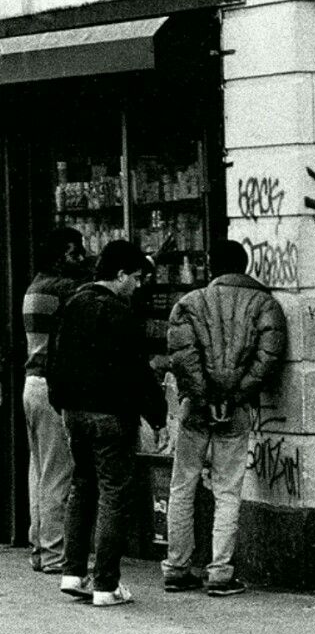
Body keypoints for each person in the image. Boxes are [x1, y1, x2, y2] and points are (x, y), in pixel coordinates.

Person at [161, 239, 287, 596]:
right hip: (237, 408)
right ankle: (220, 572)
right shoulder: (265, 304)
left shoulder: (189, 303)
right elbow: (268, 357)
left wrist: (204, 395)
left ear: (212, 266)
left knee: (182, 486)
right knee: (229, 490)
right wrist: (235, 394)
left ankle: (177, 566)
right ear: (245, 265)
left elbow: (182, 356)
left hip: (195, 410)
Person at [48, 240, 167, 607]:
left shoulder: (72, 304)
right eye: (134, 277)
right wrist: (157, 415)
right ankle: (106, 583)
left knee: (82, 489)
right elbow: (137, 371)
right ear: (119, 276)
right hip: (112, 416)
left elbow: (53, 358)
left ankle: (73, 572)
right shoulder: (117, 312)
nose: (137, 285)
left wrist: (62, 404)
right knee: (114, 493)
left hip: (75, 413)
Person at [22, 227, 87, 573]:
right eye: (76, 253)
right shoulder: (62, 288)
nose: (82, 259)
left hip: (32, 384)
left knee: (40, 471)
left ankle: (39, 546)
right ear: (61, 256)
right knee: (59, 473)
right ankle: (53, 553)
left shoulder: (36, 286)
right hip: (51, 387)